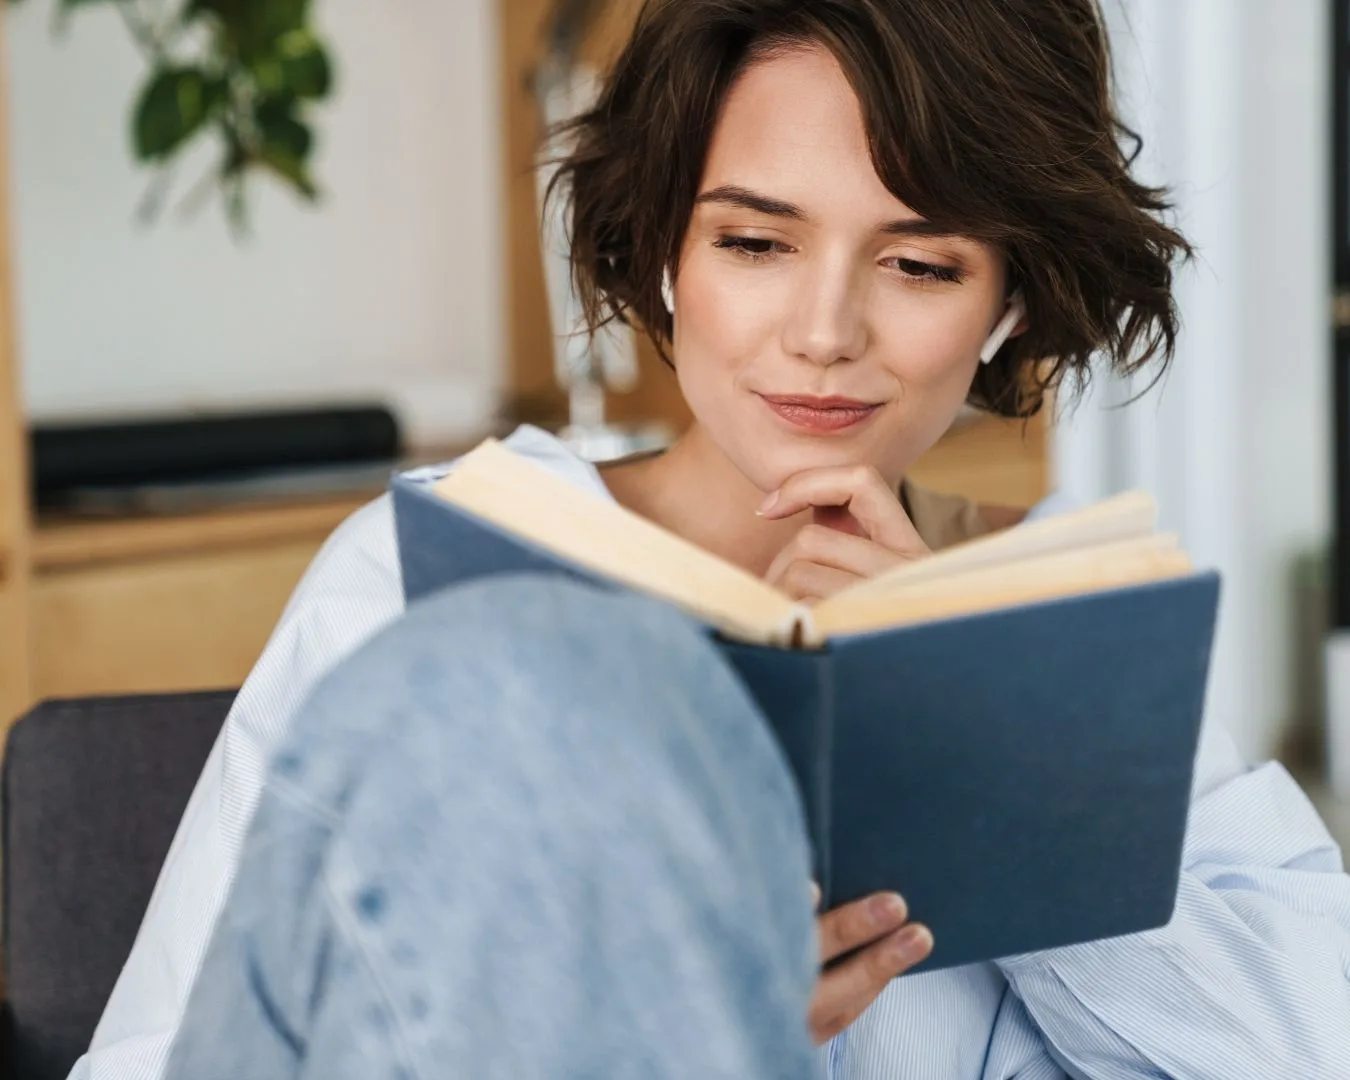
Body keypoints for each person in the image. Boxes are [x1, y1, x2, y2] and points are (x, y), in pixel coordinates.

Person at [75, 1, 1350, 1078]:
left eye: (919, 264)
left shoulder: (1062, 616)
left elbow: (1310, 1036)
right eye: (754, 241)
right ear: (669, 253)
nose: (824, 330)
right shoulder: (411, 580)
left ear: (1009, 298)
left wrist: (990, 737)